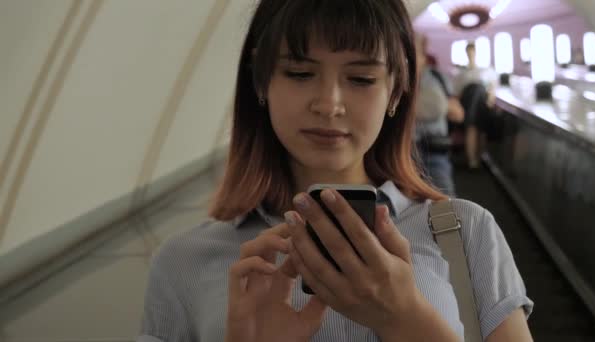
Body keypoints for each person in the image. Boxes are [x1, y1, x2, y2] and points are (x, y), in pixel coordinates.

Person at [137, 1, 534, 341]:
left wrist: (407, 320)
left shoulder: (465, 233)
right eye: (299, 73)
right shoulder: (184, 262)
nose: (329, 104)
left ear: (396, 91)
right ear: (261, 81)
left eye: (361, 78)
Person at [414, 34, 464, 197]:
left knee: (445, 205)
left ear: (423, 56)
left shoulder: (438, 78)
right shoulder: (391, 78)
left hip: (434, 152)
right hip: (401, 153)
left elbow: (458, 114)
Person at [453, 42, 498, 169]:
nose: (471, 55)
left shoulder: (486, 70)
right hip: (469, 103)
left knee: (481, 130)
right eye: (469, 52)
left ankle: (480, 156)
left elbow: (492, 87)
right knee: (471, 129)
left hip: (482, 103)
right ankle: (472, 160)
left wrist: (490, 100)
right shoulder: (462, 72)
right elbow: (458, 92)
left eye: (473, 52)